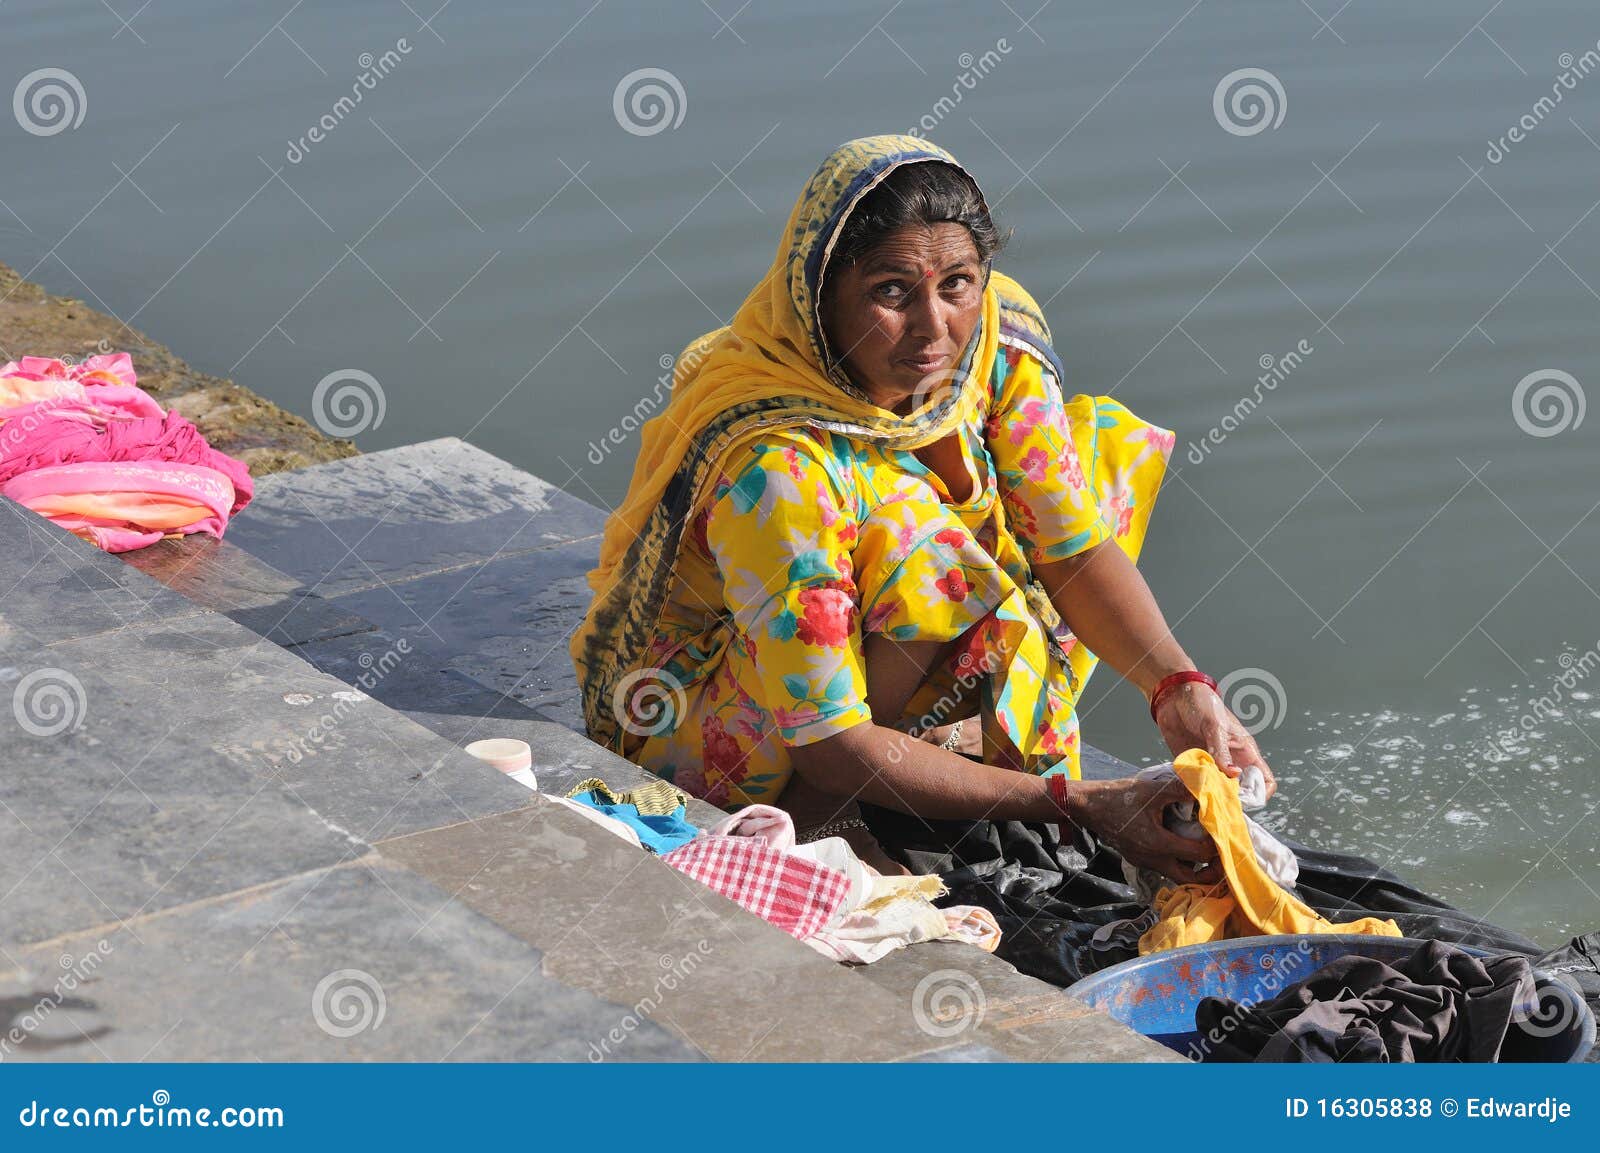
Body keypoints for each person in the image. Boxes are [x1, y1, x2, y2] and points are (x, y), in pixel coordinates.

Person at [571, 135, 1273, 882]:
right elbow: (829, 738)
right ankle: (822, 814)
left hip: (868, 671)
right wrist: (1082, 803)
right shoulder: (774, 462)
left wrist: (1178, 690)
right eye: (892, 292)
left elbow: (1071, 549)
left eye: (957, 285)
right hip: (732, 722)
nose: (935, 330)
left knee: (1096, 460)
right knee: (927, 549)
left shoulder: (998, 347)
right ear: (820, 298)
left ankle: (936, 751)